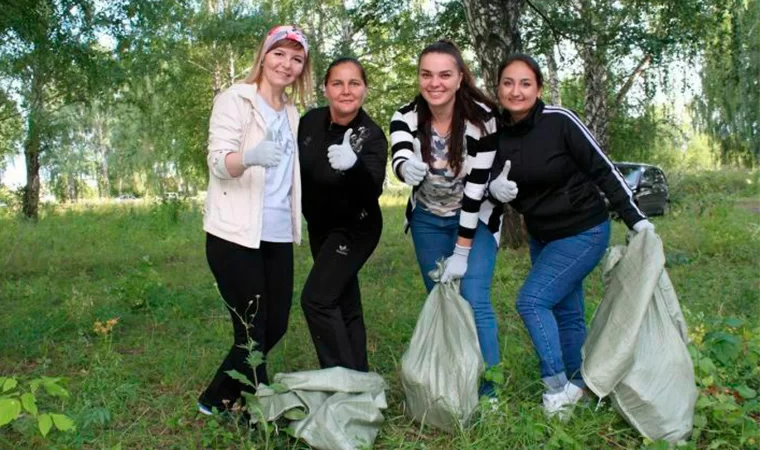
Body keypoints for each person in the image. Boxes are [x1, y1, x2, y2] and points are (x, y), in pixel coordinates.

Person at [488, 53, 654, 418]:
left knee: (532, 301)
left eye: (525, 83)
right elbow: (482, 178)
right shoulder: (494, 132)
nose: (516, 91)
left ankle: (556, 388)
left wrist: (636, 219)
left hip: (584, 229)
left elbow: (603, 168)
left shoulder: (559, 121)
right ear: (498, 88)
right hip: (542, 235)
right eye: (508, 83)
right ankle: (581, 388)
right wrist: (492, 188)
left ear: (538, 88)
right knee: (567, 312)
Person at [198, 25, 313, 416]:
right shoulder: (235, 99)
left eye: (297, 59)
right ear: (264, 56)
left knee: (275, 324)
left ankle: (215, 397)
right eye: (280, 54)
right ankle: (257, 406)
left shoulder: (294, 114)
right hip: (235, 233)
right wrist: (247, 157)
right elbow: (217, 162)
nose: (287, 64)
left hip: (278, 233)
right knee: (252, 328)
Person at [390, 39, 504, 397]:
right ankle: (454, 381)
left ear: (459, 79)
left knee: (473, 296)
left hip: (475, 217)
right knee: (440, 299)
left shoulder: (483, 121)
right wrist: (404, 166)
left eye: (444, 75)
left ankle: (489, 390)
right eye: (426, 75)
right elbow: (400, 152)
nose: (434, 83)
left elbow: (475, 193)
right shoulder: (405, 114)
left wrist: (462, 251)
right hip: (427, 219)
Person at [298, 58, 388, 371]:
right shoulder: (309, 122)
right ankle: (359, 378)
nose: (346, 91)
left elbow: (372, 189)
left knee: (317, 300)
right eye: (338, 83)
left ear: (365, 89)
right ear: (326, 89)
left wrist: (355, 166)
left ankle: (343, 383)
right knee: (342, 301)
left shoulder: (372, 135)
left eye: (354, 83)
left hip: (356, 227)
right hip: (320, 227)